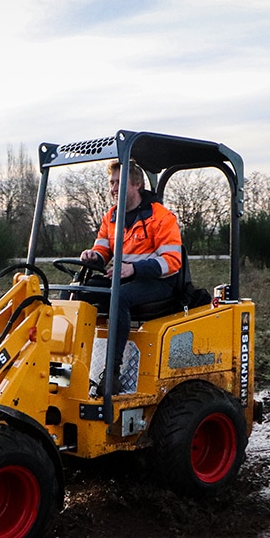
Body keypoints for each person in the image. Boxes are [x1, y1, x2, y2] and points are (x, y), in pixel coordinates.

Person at [80, 161, 182, 396]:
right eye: (111, 183)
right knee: (76, 291)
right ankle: (73, 363)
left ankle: (112, 373)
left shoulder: (161, 218)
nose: (113, 189)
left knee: (120, 297)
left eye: (119, 183)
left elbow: (172, 261)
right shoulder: (111, 218)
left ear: (136, 184)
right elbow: (103, 251)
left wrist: (135, 270)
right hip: (123, 278)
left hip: (159, 283)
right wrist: (92, 256)